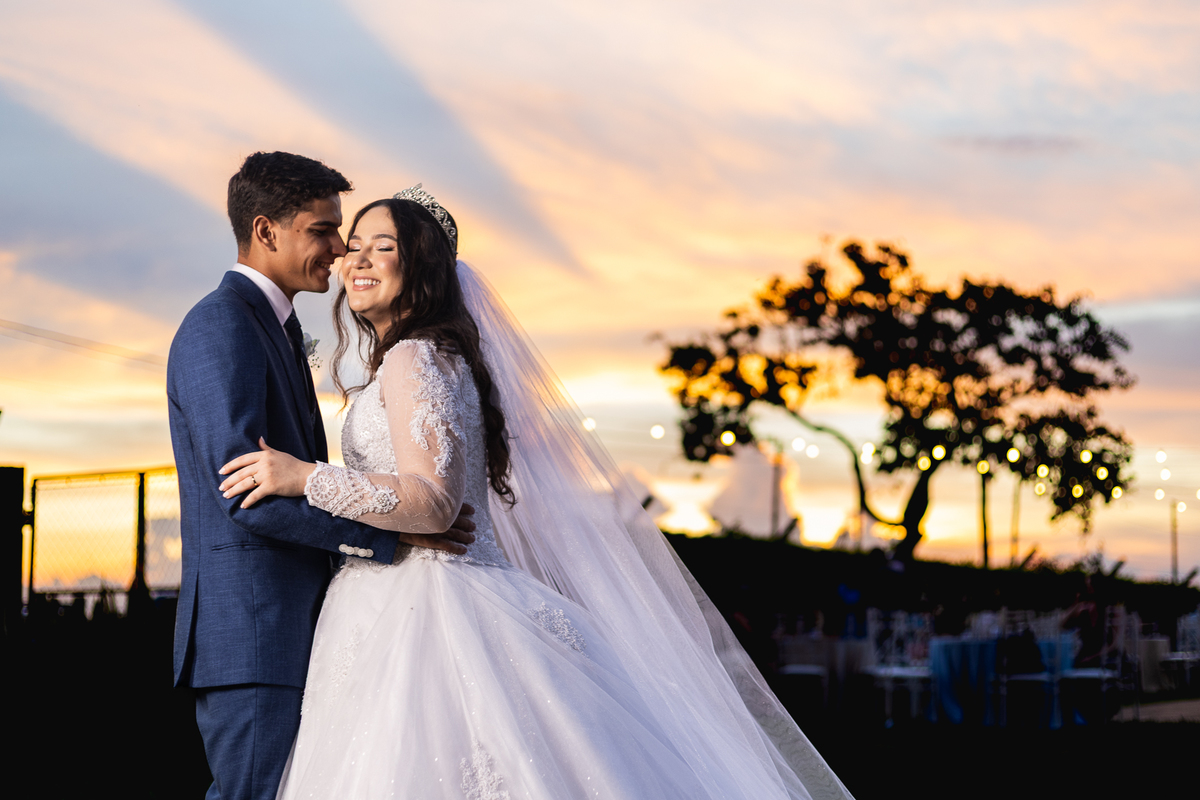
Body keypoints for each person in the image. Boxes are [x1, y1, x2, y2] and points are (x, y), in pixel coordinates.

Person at [220, 186, 853, 799]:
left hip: (428, 607)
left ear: (422, 270)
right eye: (352, 244)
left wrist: (304, 477)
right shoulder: (420, 357)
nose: (355, 259)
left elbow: (434, 502)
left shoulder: (415, 357)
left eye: (380, 247)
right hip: (396, 599)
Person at [167, 154, 475, 800]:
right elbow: (244, 491)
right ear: (266, 230)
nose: (338, 252)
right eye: (323, 231)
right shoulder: (223, 325)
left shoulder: (275, 328)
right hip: (254, 630)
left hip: (303, 626)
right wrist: (393, 539)